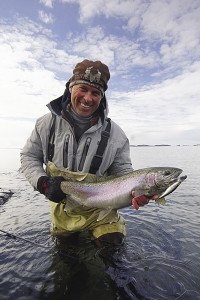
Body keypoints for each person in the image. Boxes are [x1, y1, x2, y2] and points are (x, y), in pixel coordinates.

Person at [20, 59, 151, 246]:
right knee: (68, 265)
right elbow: (29, 157)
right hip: (63, 212)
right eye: (83, 89)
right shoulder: (45, 124)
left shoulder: (117, 135)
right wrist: (42, 183)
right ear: (70, 88)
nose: (88, 98)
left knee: (113, 254)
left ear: (102, 97)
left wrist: (135, 193)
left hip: (104, 213)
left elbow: (123, 174)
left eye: (96, 92)